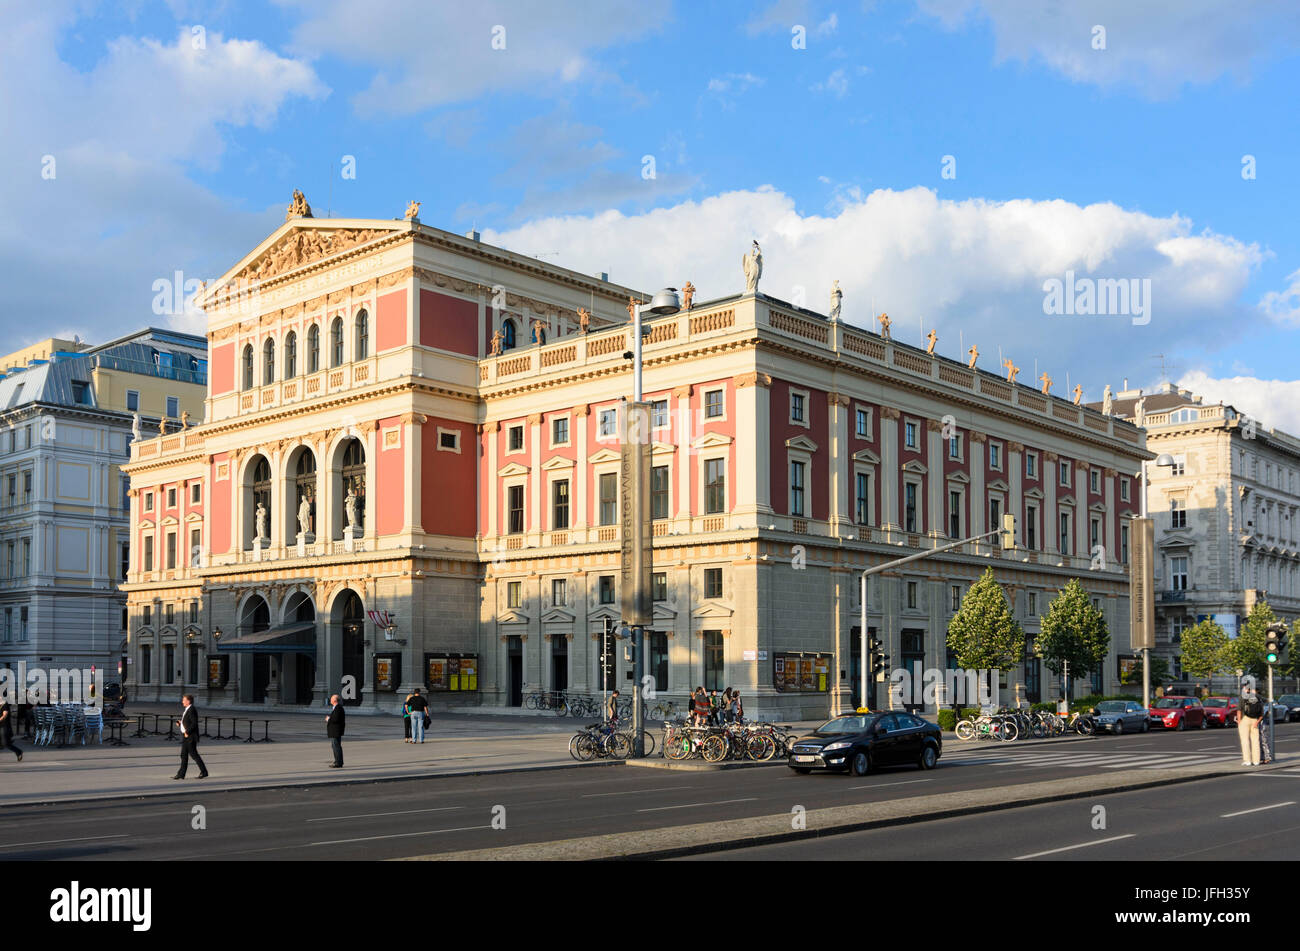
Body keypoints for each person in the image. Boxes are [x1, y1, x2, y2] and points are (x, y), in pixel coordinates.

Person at [171, 695, 206, 779]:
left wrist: (187, 731)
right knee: (184, 755)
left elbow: (194, 723)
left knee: (193, 754)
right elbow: (188, 721)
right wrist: (180, 723)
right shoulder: (188, 709)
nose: (182, 701)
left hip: (190, 736)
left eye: (184, 700)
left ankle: (204, 772)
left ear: (188, 701)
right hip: (186, 736)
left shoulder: (192, 709)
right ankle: (181, 774)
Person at [1239, 684, 1264, 766]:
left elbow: (1239, 710)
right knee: (1255, 741)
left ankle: (1247, 761)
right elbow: (1262, 713)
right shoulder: (1258, 698)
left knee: (1245, 741)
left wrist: (1239, 721)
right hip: (1255, 720)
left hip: (1245, 719)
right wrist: (1257, 722)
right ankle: (1256, 761)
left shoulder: (1243, 697)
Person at [326, 694, 346, 767]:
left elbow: (336, 719)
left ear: (334, 700)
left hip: (336, 731)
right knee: (335, 746)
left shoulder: (338, 708)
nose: (330, 700)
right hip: (335, 731)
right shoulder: (336, 707)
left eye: (331, 699)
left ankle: (338, 762)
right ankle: (337, 761)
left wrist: (328, 719)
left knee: (336, 747)